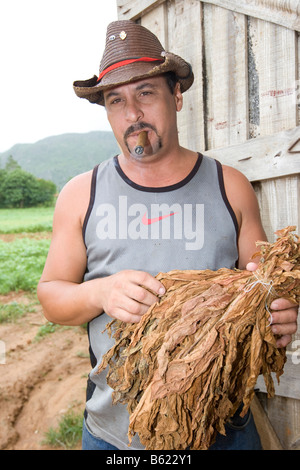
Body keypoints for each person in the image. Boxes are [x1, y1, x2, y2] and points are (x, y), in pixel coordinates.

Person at [37, 20, 298, 451]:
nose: (132, 113)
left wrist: (278, 316)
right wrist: (102, 292)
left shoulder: (228, 185)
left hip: (223, 430)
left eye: (145, 93)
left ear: (176, 96)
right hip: (116, 436)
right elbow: (51, 296)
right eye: (115, 100)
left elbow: (264, 288)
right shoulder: (81, 194)